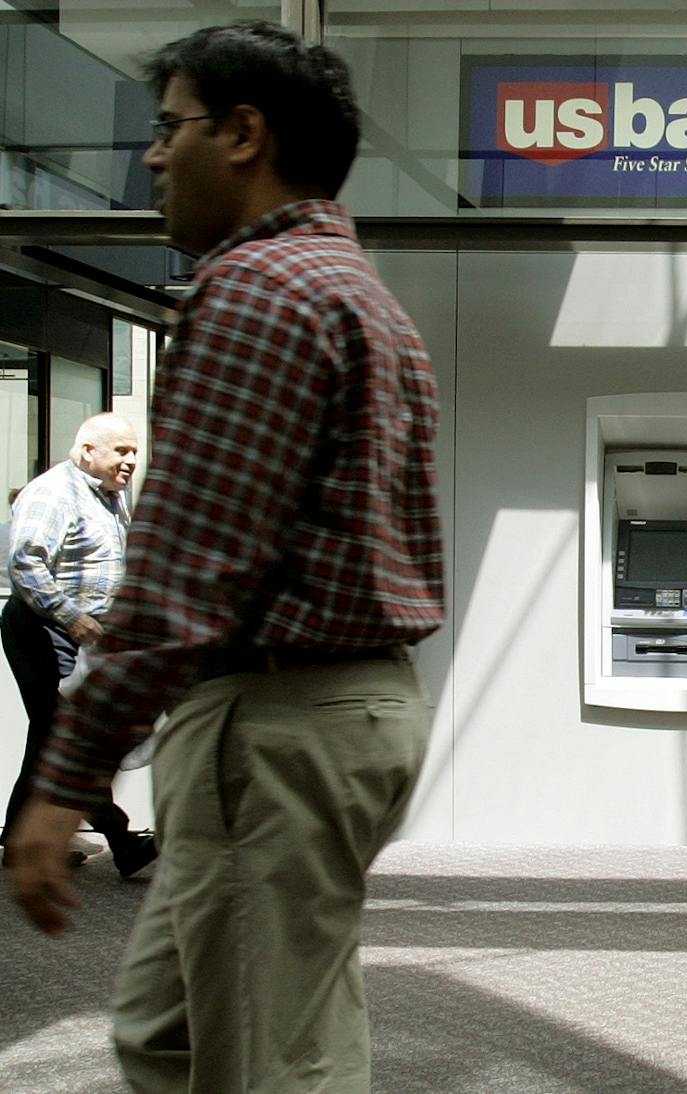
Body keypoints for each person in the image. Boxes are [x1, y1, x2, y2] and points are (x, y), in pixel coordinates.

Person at [6, 20, 445, 1091]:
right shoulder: (365, 300)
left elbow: (187, 566)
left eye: (169, 127)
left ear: (244, 134)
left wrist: (64, 780)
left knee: (269, 1064)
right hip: (338, 711)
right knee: (174, 1030)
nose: (153, 156)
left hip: (276, 724)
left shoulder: (257, 292)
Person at [1, 414, 156, 878]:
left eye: (133, 451)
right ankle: (120, 837)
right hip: (43, 630)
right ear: (88, 450)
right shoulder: (54, 493)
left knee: (50, 738)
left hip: (83, 635)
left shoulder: (110, 495)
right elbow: (27, 564)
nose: (130, 460)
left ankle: (19, 841)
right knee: (65, 737)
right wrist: (75, 618)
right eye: (121, 451)